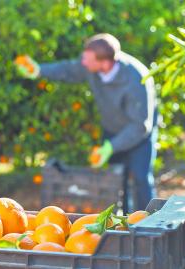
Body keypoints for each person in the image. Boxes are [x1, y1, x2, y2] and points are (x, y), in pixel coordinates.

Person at [15, 33, 157, 212]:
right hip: (112, 129)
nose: (83, 63)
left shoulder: (136, 80)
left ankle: (149, 226)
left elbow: (140, 125)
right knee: (117, 180)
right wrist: (39, 70)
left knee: (140, 178)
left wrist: (111, 147)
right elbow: (67, 70)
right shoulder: (92, 67)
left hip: (139, 133)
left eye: (87, 60)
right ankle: (126, 225)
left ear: (104, 63)